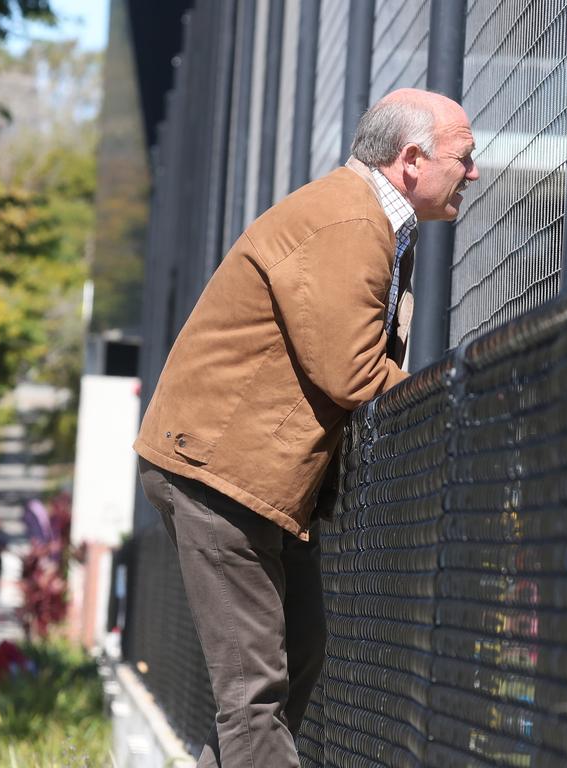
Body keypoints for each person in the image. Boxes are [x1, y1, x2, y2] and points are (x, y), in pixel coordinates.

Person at [134, 88, 478, 767]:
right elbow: (350, 372)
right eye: (466, 157)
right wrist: (448, 402)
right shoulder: (349, 222)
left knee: (294, 655)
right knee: (255, 696)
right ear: (412, 160)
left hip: (247, 476)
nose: (475, 172)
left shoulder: (370, 222)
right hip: (219, 474)